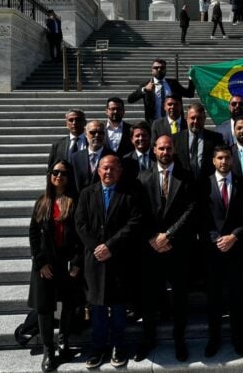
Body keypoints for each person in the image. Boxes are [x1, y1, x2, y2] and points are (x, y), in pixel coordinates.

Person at [75, 154, 142, 369]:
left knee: (119, 306)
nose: (108, 172)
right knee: (97, 307)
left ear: (120, 171)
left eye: (113, 169)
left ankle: (118, 346)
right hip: (94, 260)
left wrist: (110, 247)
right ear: (98, 170)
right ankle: (98, 347)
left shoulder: (129, 194)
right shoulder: (86, 193)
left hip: (119, 259)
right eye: (104, 168)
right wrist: (97, 247)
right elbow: (80, 223)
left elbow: (134, 223)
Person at [136, 136, 197, 363]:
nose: (165, 152)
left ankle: (179, 339)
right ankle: (149, 338)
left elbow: (191, 210)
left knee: (180, 296)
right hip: (151, 248)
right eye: (161, 148)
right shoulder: (142, 177)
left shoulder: (187, 177)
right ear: (154, 151)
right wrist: (153, 238)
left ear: (174, 151)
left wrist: (168, 234)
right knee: (150, 297)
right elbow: (138, 213)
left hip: (177, 246)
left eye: (168, 148)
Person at [28, 159, 82, 372]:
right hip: (45, 265)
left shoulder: (75, 201)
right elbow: (33, 233)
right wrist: (40, 262)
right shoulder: (42, 201)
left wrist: (77, 262)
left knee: (68, 303)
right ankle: (48, 350)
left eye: (64, 173)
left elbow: (81, 235)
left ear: (69, 178)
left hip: (67, 262)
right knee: (45, 308)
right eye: (55, 172)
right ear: (50, 176)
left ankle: (64, 341)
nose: (59, 176)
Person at [200, 144, 243, 357]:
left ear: (232, 160)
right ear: (213, 160)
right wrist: (216, 239)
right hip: (212, 252)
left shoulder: (242, 183)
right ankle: (214, 339)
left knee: (237, 298)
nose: (224, 162)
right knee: (214, 300)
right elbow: (200, 217)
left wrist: (234, 236)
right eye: (219, 158)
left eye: (227, 158)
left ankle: (239, 339)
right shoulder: (204, 184)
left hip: (236, 250)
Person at [127, 58, 195, 125]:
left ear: (165, 70)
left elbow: (190, 94)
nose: (159, 70)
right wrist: (144, 89)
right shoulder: (146, 85)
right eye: (156, 68)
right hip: (154, 125)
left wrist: (191, 77)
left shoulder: (173, 83)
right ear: (152, 70)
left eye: (162, 68)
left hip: (173, 124)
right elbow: (130, 99)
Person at [173, 102, 224, 181]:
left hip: (207, 186)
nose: (196, 121)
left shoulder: (216, 138)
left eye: (199, 118)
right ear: (187, 118)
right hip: (183, 187)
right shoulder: (176, 139)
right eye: (192, 118)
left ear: (204, 119)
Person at [71, 120, 112, 192]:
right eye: (92, 132)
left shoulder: (112, 157)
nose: (97, 135)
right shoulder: (75, 157)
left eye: (100, 133)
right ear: (86, 134)